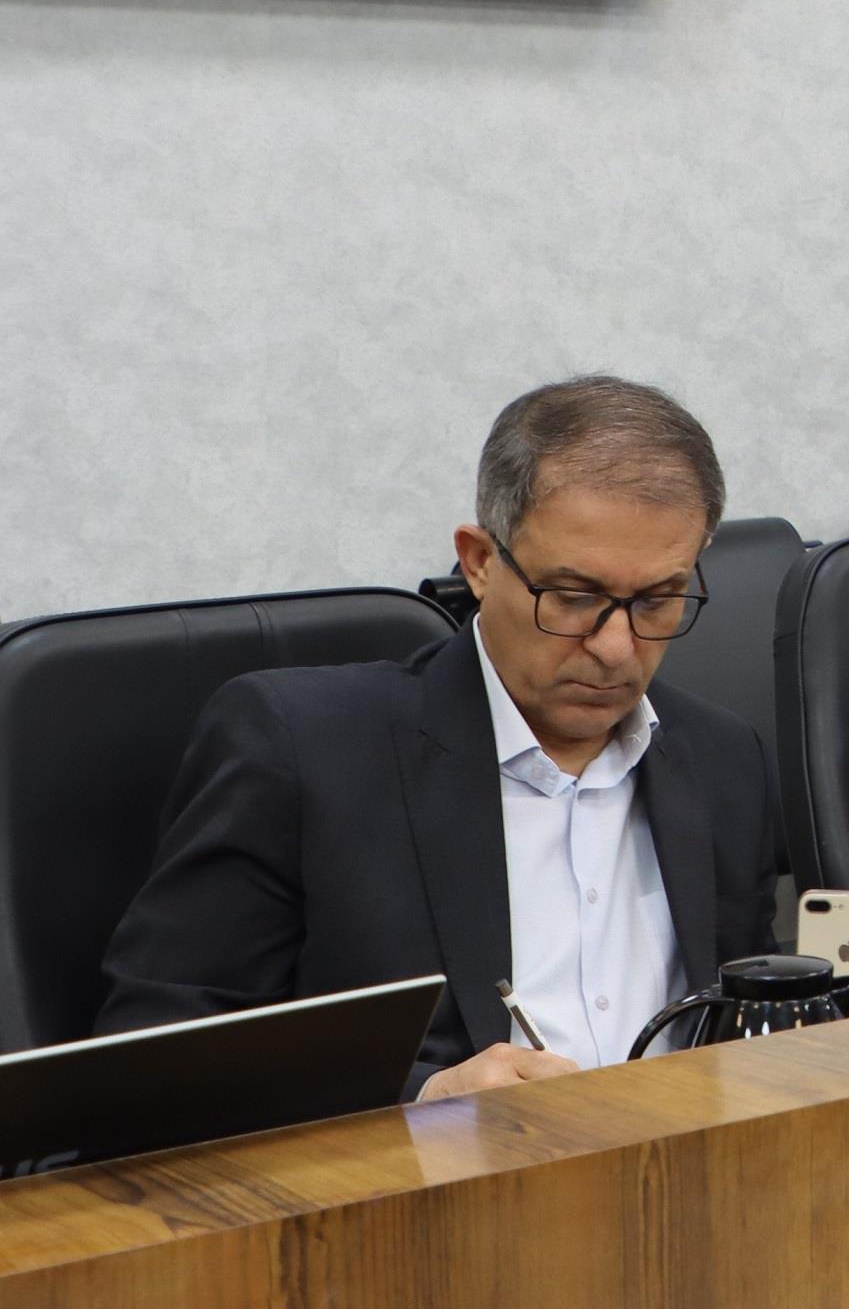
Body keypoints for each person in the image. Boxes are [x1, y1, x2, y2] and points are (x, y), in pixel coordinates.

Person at [99, 377, 778, 1102]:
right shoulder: (305, 749)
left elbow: (741, 1026)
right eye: (573, 597)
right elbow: (155, 1054)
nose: (616, 648)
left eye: (657, 600)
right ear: (479, 561)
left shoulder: (721, 759)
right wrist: (422, 1100)